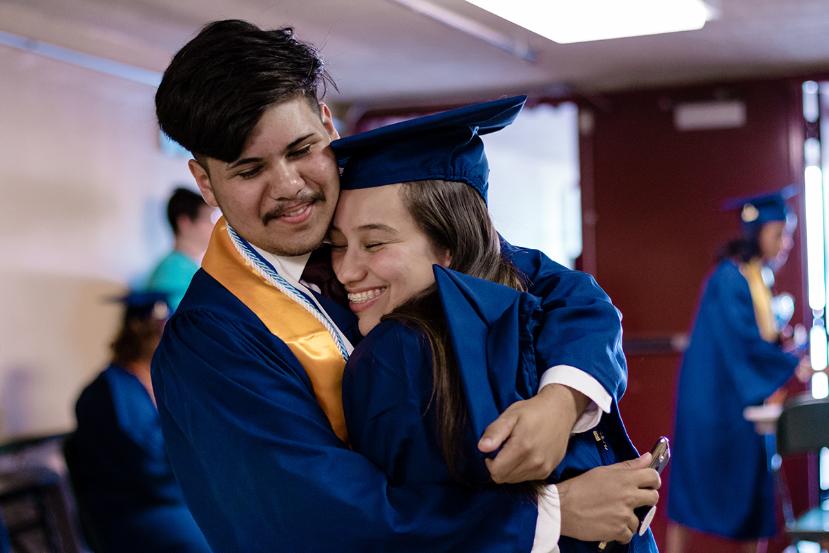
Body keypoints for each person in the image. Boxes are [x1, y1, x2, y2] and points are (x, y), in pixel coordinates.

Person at [152, 20, 637, 551]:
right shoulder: (211, 341)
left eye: (301, 149)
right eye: (249, 170)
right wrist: (550, 514)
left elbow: (564, 290)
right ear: (205, 182)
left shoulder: (370, 225)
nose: (290, 186)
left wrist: (562, 400)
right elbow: (317, 524)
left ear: (327, 125)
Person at [330, 95, 661, 552]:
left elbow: (578, 293)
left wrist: (560, 403)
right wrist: (555, 511)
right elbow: (400, 524)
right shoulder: (400, 350)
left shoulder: (525, 308)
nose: (345, 271)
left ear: (449, 249)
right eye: (337, 245)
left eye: (373, 244)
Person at [666, 188, 810, 553]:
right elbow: (742, 343)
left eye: (788, 234)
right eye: (780, 234)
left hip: (741, 402)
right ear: (756, 233)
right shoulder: (728, 280)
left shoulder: (757, 276)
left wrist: (783, 347)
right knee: (691, 499)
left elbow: (757, 339)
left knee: (755, 496)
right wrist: (792, 361)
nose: (787, 243)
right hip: (714, 406)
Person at [64, 292, 211, 553]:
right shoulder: (109, 393)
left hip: (173, 498)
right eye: (163, 328)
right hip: (138, 510)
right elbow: (148, 468)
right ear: (143, 333)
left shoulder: (162, 380)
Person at [147, 187, 214, 310]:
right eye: (207, 219)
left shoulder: (182, 266)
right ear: (185, 222)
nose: (213, 226)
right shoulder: (175, 269)